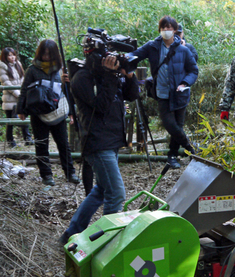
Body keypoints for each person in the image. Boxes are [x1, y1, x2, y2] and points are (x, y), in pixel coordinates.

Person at [59, 48, 139, 244]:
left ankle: (71, 234)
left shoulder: (109, 75)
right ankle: (107, 242)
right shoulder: (82, 79)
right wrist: (110, 76)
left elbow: (132, 95)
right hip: (96, 141)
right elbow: (101, 106)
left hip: (111, 140)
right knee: (116, 192)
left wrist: (128, 76)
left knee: (102, 190)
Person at [129, 15, 198, 169]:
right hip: (162, 93)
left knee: (178, 126)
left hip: (180, 94)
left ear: (175, 30)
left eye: (169, 28)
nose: (166, 31)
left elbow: (193, 70)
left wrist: (185, 82)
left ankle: (172, 156)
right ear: (159, 30)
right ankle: (190, 148)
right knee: (170, 125)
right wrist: (123, 58)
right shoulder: (152, 46)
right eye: (163, 28)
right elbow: (136, 54)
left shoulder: (184, 50)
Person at [17, 40, 79, 186]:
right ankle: (46, 175)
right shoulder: (32, 70)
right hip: (38, 113)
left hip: (57, 112)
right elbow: (25, 90)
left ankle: (70, 173)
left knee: (64, 144)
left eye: (49, 54)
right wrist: (21, 110)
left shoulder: (60, 70)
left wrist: (71, 112)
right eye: (44, 53)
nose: (46, 56)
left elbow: (67, 93)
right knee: (41, 145)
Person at [0, 47, 33, 147]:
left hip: (20, 96)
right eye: (9, 55)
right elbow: (6, 83)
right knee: (10, 120)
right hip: (10, 98)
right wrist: (19, 95)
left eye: (13, 54)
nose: (12, 57)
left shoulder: (18, 64)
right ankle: (10, 141)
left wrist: (23, 94)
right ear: (5, 57)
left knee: (24, 116)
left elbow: (23, 78)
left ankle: (27, 138)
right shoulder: (2, 66)